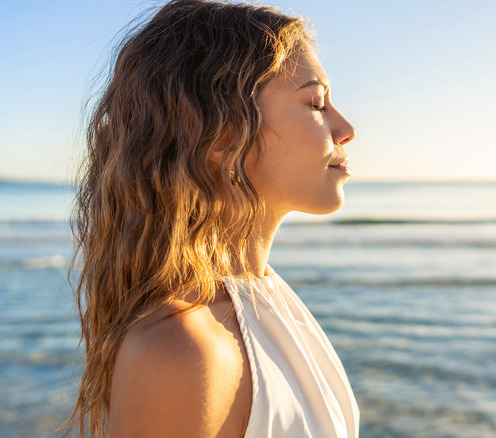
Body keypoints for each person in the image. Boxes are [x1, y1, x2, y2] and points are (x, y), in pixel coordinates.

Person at [61, 1, 359, 436]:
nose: (346, 128)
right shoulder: (181, 353)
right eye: (316, 103)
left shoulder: (265, 299)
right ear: (222, 134)